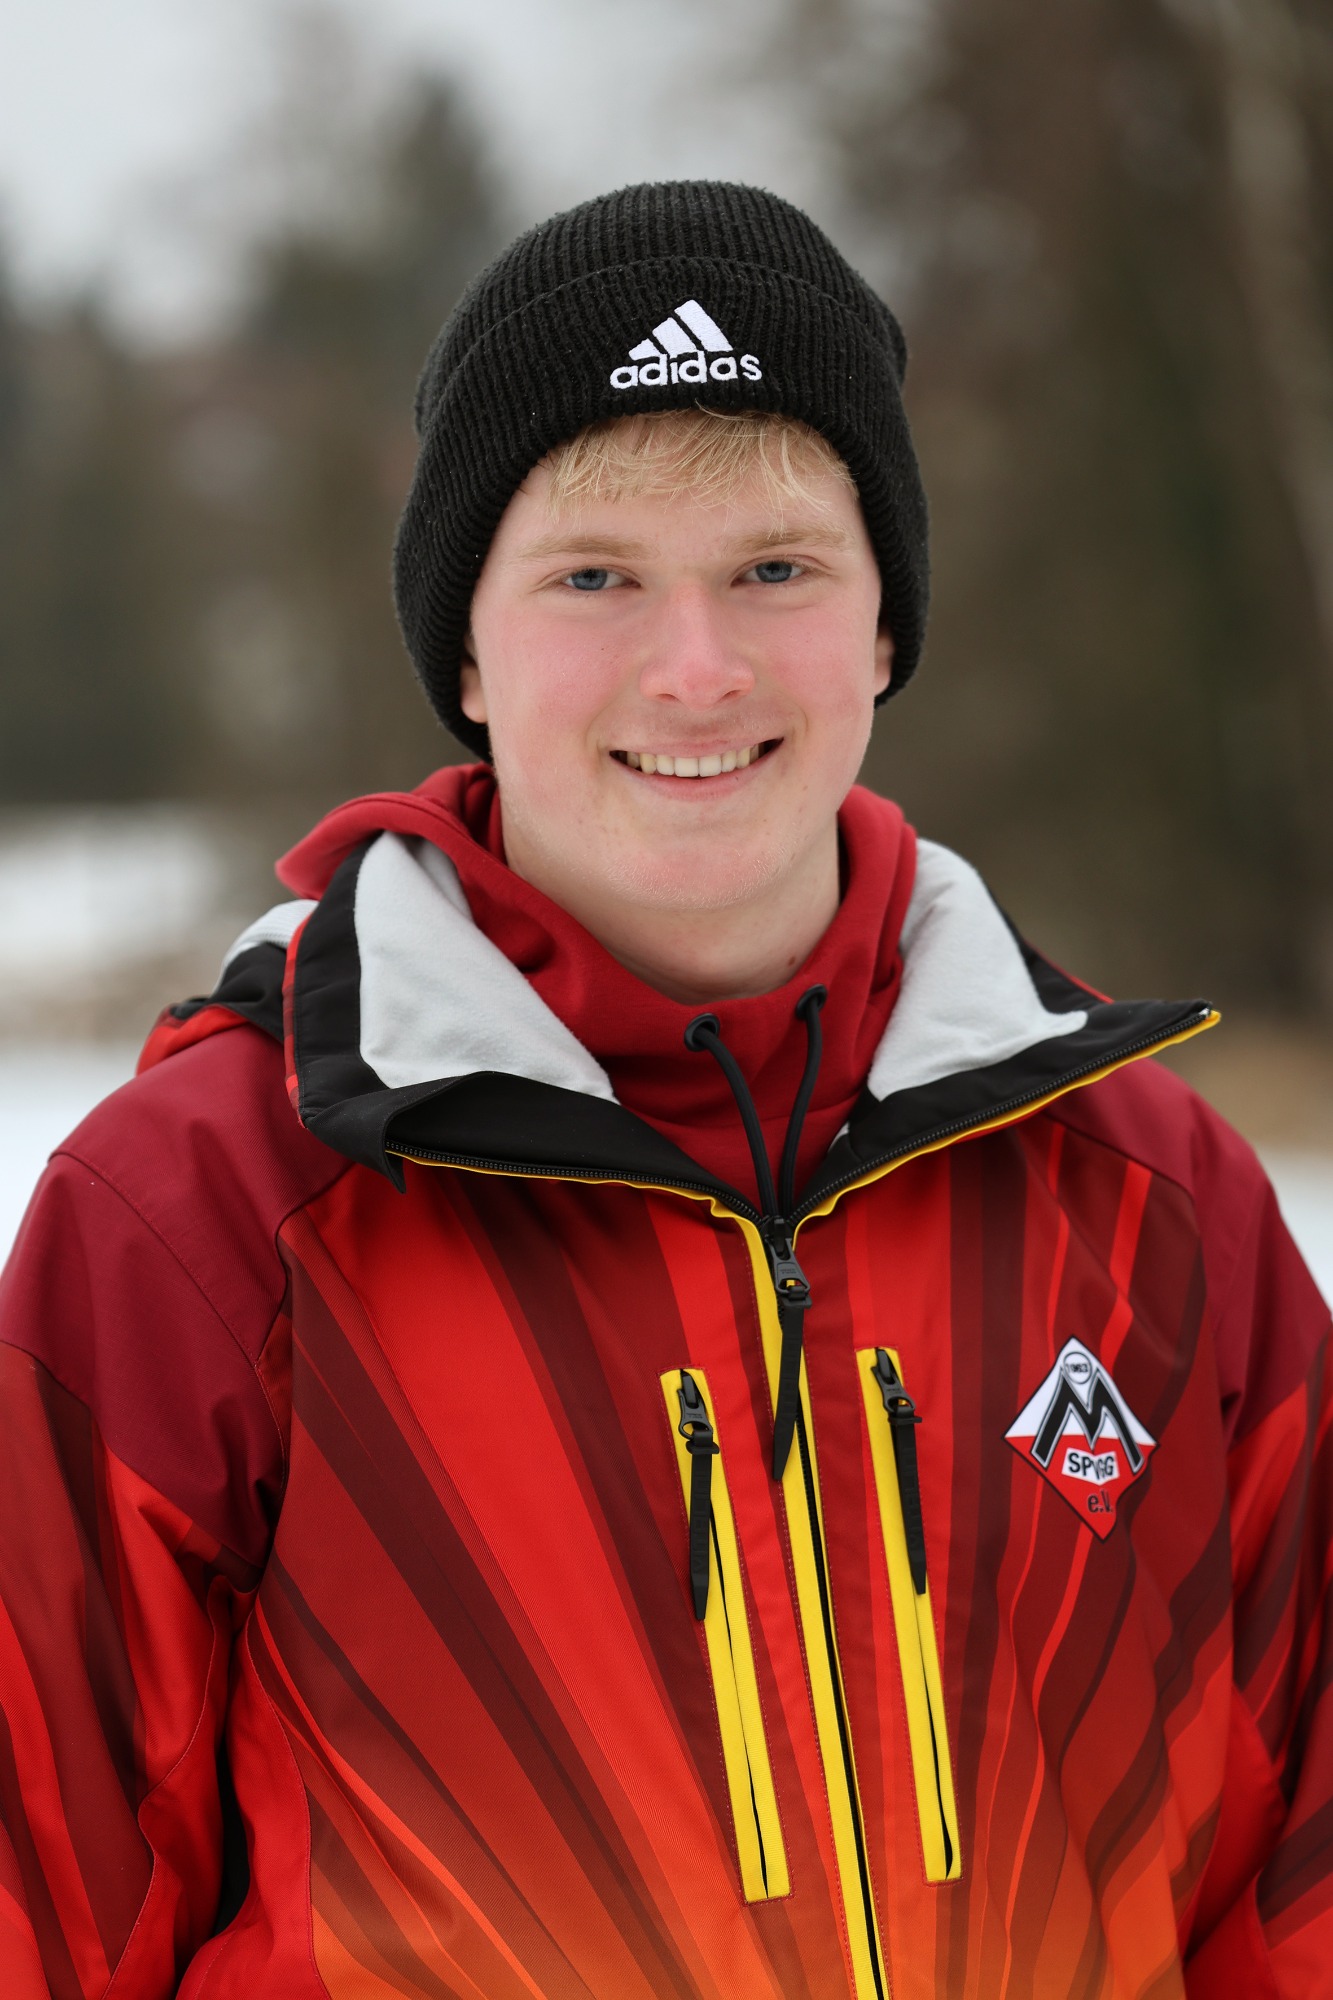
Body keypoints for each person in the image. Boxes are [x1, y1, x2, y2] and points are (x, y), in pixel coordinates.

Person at [0, 180, 1329, 2000]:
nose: (695, 669)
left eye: (776, 569)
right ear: (468, 652)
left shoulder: (1151, 1196)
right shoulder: (204, 1214)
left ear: (883, 627)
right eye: (594, 576)